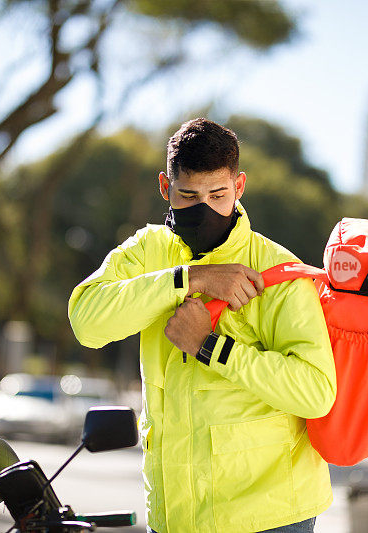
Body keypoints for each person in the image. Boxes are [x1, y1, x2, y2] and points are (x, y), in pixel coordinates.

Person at [68, 118, 337, 533]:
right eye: (189, 195)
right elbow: (88, 323)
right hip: (176, 515)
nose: (205, 208)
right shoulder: (148, 250)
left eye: (218, 194)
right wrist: (187, 280)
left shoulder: (279, 272)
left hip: (270, 516)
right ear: (165, 187)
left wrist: (210, 347)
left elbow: (316, 393)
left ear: (240, 186)